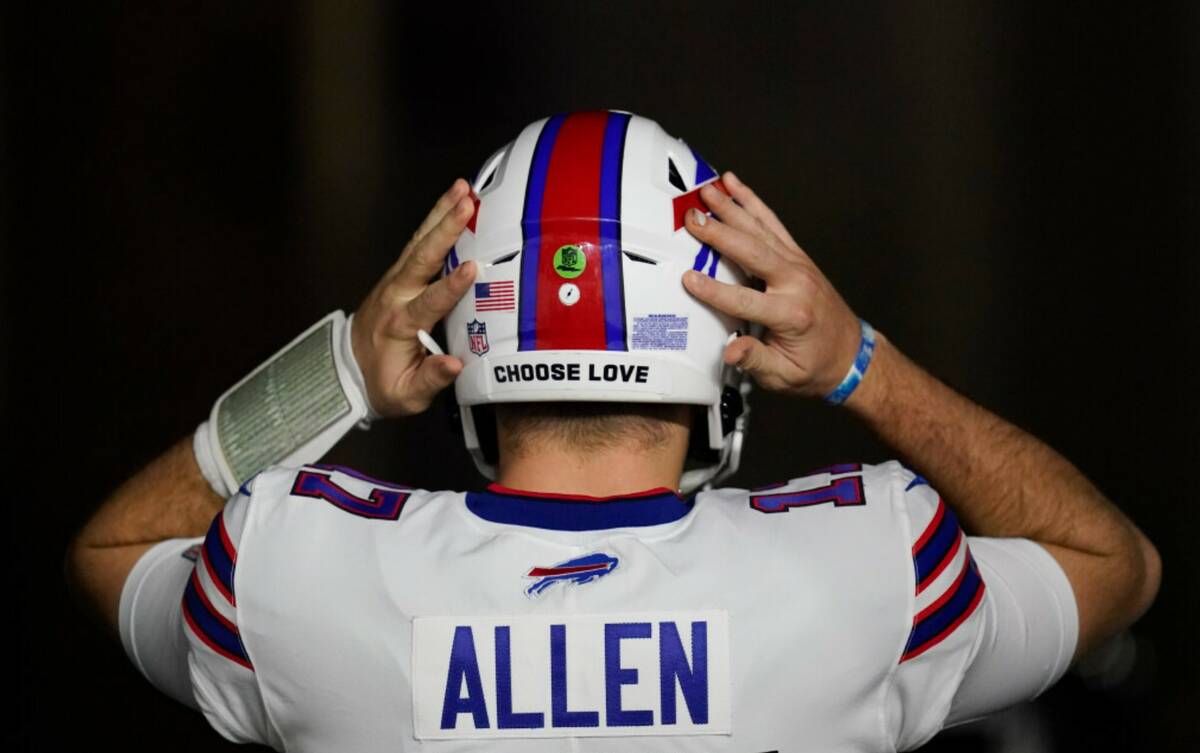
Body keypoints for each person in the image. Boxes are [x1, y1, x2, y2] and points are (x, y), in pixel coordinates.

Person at [66, 111, 1159, 752]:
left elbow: (111, 548)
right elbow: (1116, 564)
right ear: (720, 335)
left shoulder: (291, 571)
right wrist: (858, 360)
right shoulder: (874, 568)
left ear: (465, 333)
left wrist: (337, 376)